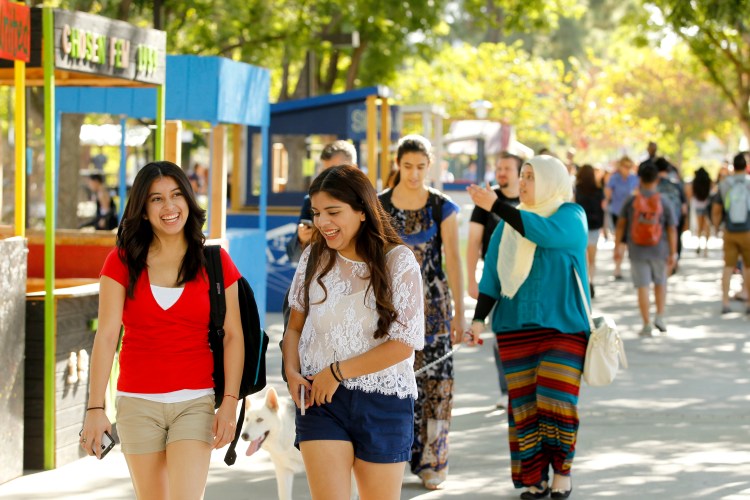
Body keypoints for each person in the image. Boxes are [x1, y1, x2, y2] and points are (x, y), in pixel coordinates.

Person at [79, 161, 244, 499]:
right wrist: (96, 408)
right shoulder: (121, 261)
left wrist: (229, 405)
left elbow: (234, 336)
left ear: (188, 199)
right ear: (142, 210)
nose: (169, 207)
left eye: (176, 195)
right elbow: (107, 336)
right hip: (136, 403)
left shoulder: (215, 261)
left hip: (195, 402)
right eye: (156, 199)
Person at [282, 165, 424, 500]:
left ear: (362, 211)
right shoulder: (313, 257)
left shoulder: (398, 262)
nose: (323, 223)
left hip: (384, 401)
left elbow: (404, 345)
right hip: (321, 399)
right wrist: (290, 372)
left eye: (334, 212)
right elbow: (294, 328)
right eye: (317, 213)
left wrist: (338, 372)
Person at [468, 155, 588, 500]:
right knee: (524, 407)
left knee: (556, 397)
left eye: (531, 176)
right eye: (522, 176)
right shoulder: (509, 224)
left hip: (563, 327)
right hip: (514, 327)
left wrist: (497, 207)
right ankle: (533, 477)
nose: (523, 182)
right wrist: (478, 320)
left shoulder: (570, 215)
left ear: (552, 180)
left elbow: (542, 232)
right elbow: (491, 275)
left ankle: (562, 470)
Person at [378, 134, 464, 490]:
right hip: (392, 307)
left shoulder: (441, 206)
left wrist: (460, 312)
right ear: (398, 164)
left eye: (421, 167)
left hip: (436, 307)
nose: (414, 174)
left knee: (438, 385)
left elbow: (454, 261)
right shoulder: (379, 204)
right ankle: (391, 458)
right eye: (408, 166)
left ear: (430, 166)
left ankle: (434, 461)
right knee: (393, 383)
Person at [465, 151, 522, 408]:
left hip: (523, 281)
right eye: (499, 167)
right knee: (500, 337)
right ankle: (506, 390)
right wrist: (471, 279)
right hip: (495, 279)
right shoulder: (486, 200)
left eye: (507, 168)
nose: (502, 172)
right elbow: (474, 241)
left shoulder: (528, 199)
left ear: (520, 172)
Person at [615, 162, 678, 336]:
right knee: (660, 282)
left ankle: (646, 323)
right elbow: (672, 228)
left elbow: (620, 225)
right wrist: (673, 252)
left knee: (642, 286)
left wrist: (617, 247)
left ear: (640, 179)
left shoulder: (631, 200)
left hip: (636, 249)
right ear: (656, 179)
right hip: (660, 249)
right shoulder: (663, 201)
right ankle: (660, 316)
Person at [286, 140, 358, 264]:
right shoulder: (311, 202)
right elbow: (293, 256)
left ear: (354, 168)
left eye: (337, 171)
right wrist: (302, 239)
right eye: (325, 171)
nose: (331, 177)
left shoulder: (368, 200)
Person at [711, 152, 750, 315]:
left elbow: (717, 209)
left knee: (728, 267)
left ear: (734, 166)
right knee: (748, 267)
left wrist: (716, 226)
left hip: (730, 230)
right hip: (748, 231)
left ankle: (725, 303)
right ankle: (748, 302)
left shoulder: (725, 184)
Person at [574, 164, 606, 298]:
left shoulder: (577, 189)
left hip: (580, 226)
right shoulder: (599, 190)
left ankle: (583, 282)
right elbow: (603, 209)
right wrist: (604, 226)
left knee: (581, 256)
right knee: (592, 258)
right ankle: (590, 281)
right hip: (594, 226)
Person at [605, 156, 639, 279]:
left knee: (627, 241)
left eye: (629, 166)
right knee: (619, 241)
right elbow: (608, 194)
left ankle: (629, 268)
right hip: (617, 212)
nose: (627, 169)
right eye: (625, 166)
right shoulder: (614, 178)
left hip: (631, 213)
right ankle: (617, 268)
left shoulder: (634, 179)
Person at [691, 167, 713, 257]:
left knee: (699, 226)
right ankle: (706, 249)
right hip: (707, 205)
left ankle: (699, 244)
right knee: (707, 227)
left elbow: (692, 193)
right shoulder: (708, 181)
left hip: (698, 205)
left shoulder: (695, 182)